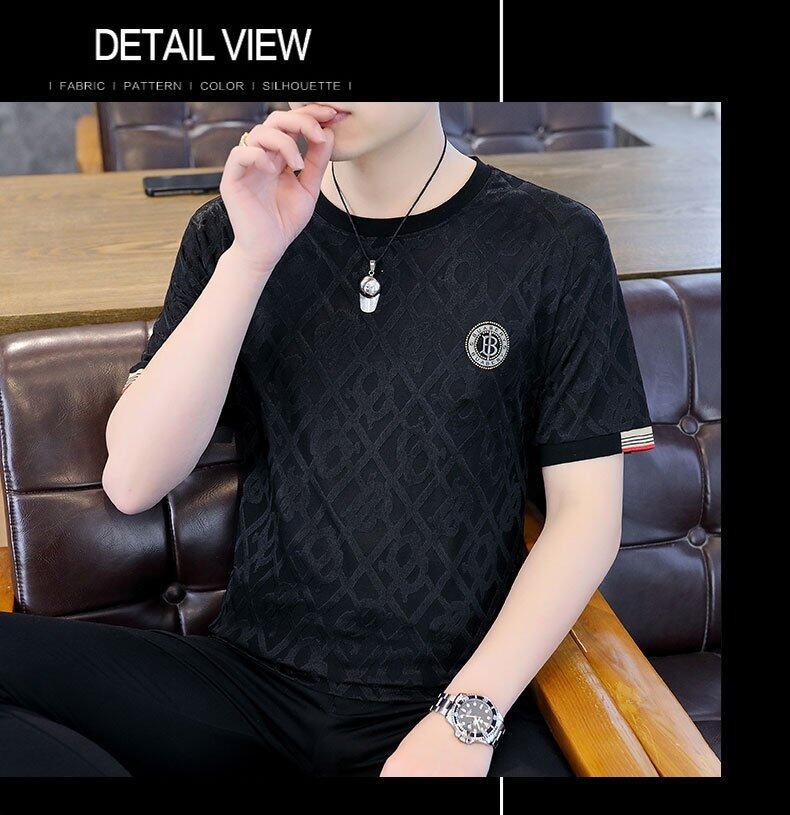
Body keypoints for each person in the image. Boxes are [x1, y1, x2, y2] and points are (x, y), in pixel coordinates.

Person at [0, 102, 654, 777]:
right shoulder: (231, 228)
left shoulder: (553, 240)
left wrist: (467, 716)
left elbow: (586, 517)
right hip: (253, 686)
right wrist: (252, 256)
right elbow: (133, 480)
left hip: (442, 696)